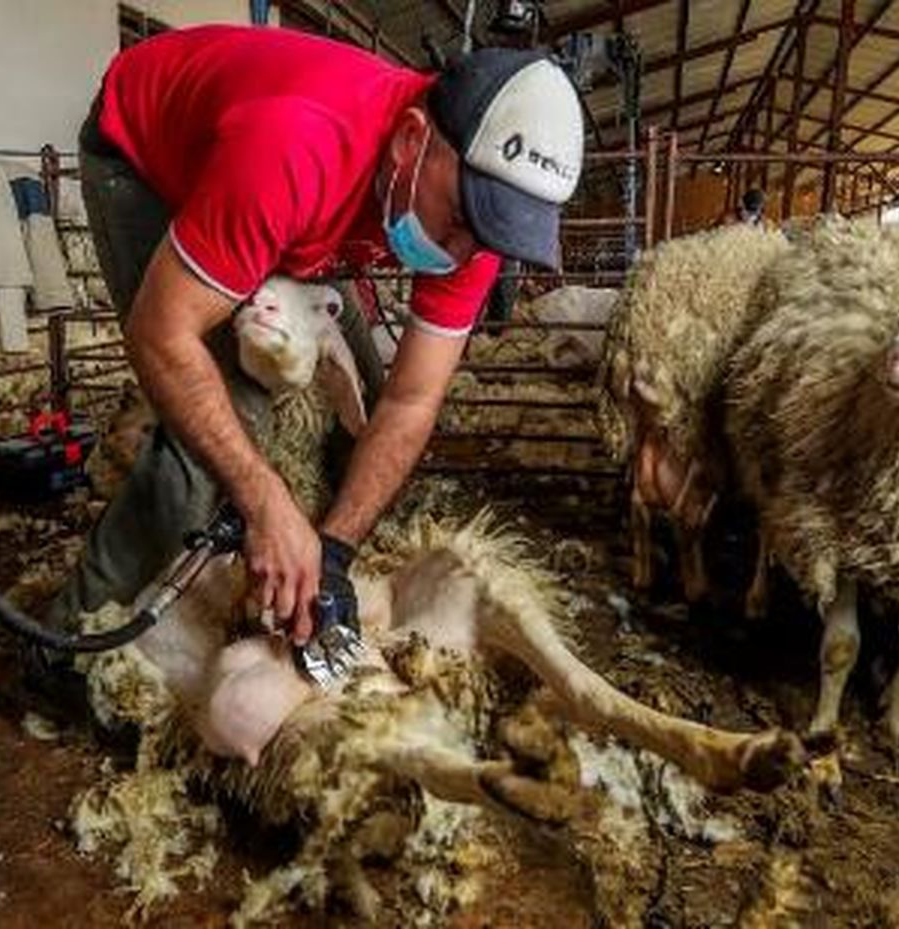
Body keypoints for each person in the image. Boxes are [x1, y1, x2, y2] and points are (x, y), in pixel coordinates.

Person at [45, 26, 584, 654]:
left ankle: (302, 552)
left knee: (368, 398)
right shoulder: (298, 145)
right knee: (222, 433)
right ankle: (62, 645)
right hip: (147, 151)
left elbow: (410, 403)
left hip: (290, 201)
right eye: (461, 220)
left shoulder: (472, 225)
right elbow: (161, 334)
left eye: (488, 235)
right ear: (411, 141)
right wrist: (262, 500)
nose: (466, 253)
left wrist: (333, 551)